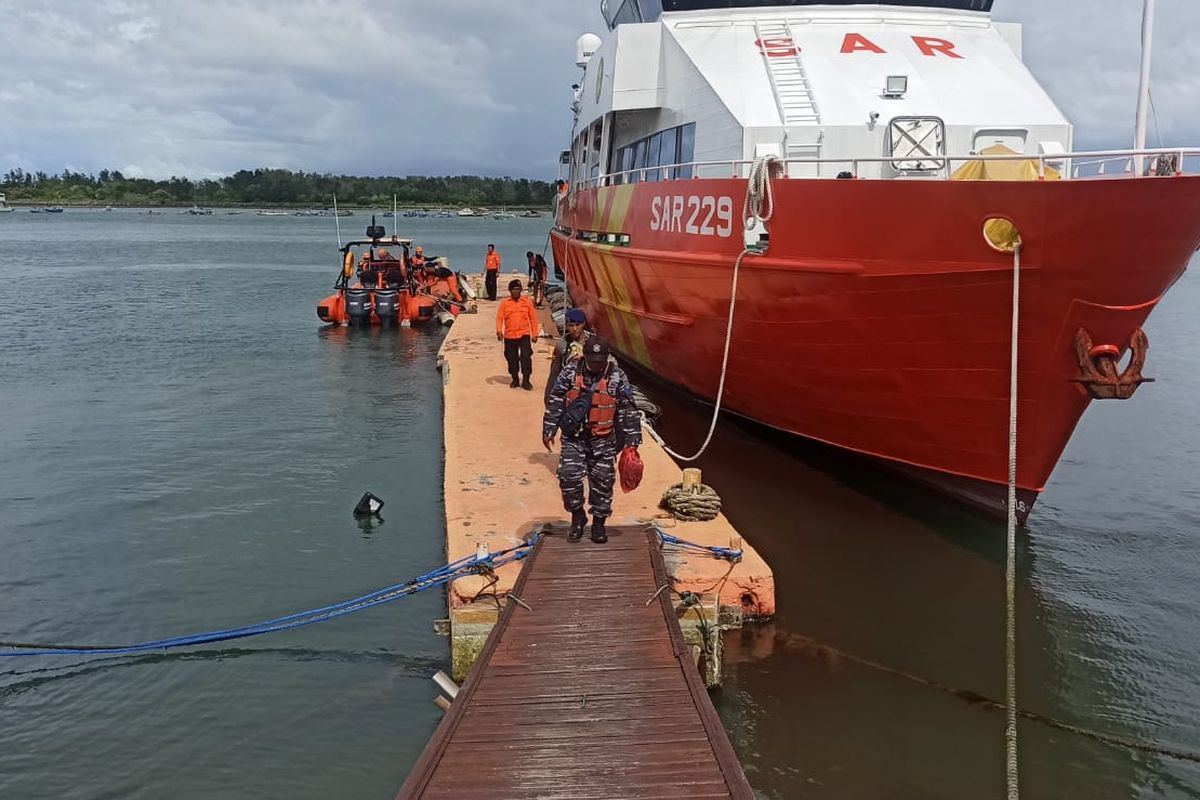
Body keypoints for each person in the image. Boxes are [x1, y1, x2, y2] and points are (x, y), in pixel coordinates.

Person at [542, 339, 642, 543]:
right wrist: (549, 428)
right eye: (593, 361)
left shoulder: (616, 375)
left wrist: (632, 441)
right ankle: (577, 516)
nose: (597, 365)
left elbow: (627, 409)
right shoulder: (571, 372)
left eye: (600, 361)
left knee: (603, 484)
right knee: (568, 478)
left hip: (604, 441)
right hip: (574, 439)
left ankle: (598, 524)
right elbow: (556, 399)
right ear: (586, 357)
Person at [496, 279, 539, 389]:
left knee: (526, 356)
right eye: (514, 289)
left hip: (524, 334)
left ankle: (526, 380)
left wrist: (535, 334)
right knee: (511, 358)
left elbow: (533, 319)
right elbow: (500, 318)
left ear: (520, 290)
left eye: (518, 289)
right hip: (510, 336)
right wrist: (499, 331)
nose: (516, 291)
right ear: (510, 291)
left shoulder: (527, 302)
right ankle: (515, 378)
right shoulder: (505, 303)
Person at [545, 307, 593, 402]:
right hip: (568, 391)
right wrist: (549, 396)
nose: (574, 329)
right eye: (571, 325)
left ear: (583, 324)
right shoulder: (563, 345)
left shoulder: (593, 342)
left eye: (578, 325)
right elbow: (555, 372)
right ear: (566, 326)